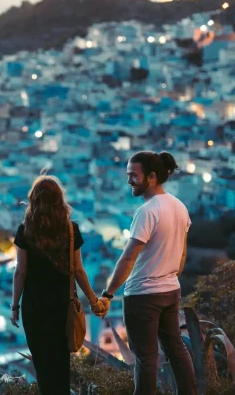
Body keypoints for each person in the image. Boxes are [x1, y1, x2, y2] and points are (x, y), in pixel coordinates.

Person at [99, 151, 197, 395]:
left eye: (134, 175)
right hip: (170, 289)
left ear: (152, 177)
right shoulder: (179, 207)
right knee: (176, 349)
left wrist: (108, 293)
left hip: (143, 295)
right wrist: (167, 275)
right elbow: (182, 256)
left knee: (146, 359)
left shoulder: (147, 211)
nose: (129, 180)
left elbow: (129, 257)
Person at [10, 175, 106, 395]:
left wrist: (14, 305)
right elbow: (78, 270)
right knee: (61, 364)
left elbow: (21, 271)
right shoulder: (71, 230)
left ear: (34, 200)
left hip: (34, 305)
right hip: (62, 305)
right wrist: (93, 301)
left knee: (43, 364)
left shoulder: (25, 231)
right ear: (59, 200)